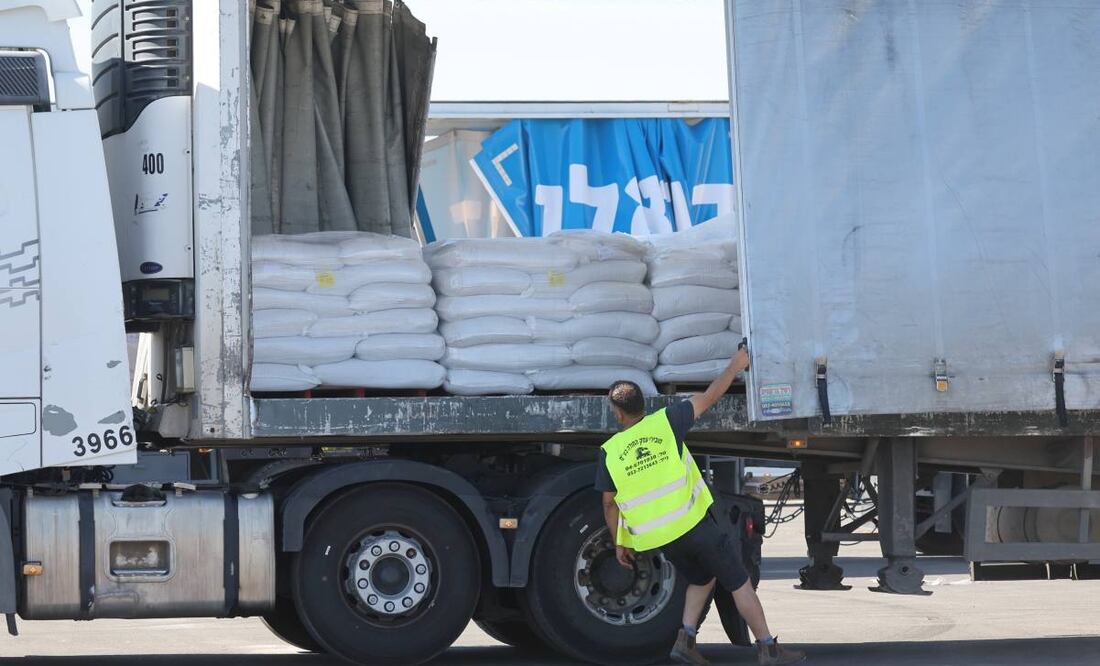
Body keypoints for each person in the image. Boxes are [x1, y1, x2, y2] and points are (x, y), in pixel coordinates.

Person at [594, 349, 805, 666]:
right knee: (738, 581)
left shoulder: (610, 451)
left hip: (663, 538)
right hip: (695, 525)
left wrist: (619, 542)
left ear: (617, 413)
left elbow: (610, 503)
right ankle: (768, 649)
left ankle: (686, 640)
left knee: (702, 578)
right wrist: (736, 365)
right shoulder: (667, 422)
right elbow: (710, 395)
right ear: (642, 405)